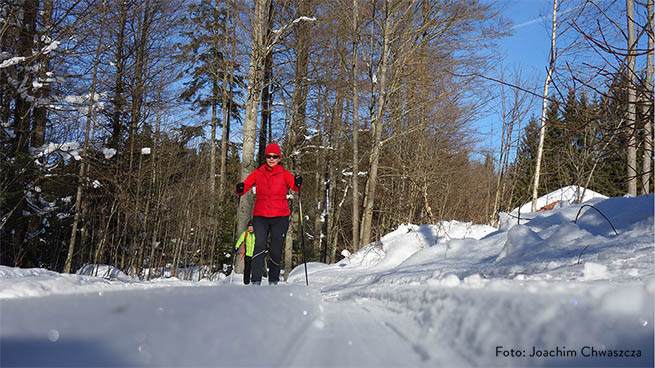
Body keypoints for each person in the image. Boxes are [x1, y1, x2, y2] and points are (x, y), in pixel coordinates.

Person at [235, 142, 302, 285]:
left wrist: (298, 183)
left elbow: (296, 188)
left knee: (275, 250)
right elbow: (245, 185)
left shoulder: (284, 174)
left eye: (275, 156)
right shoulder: (258, 173)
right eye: (269, 156)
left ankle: (273, 282)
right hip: (261, 216)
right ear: (265, 157)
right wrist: (240, 188)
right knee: (258, 247)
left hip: (280, 217)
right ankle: (256, 282)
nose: (271, 159)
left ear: (279, 158)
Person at [234, 220, 255, 284]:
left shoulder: (256, 234)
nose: (251, 228)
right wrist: (236, 246)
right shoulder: (245, 234)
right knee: (247, 269)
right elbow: (240, 240)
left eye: (252, 227)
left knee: (255, 269)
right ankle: (246, 282)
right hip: (247, 254)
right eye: (249, 227)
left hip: (255, 254)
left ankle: (254, 282)